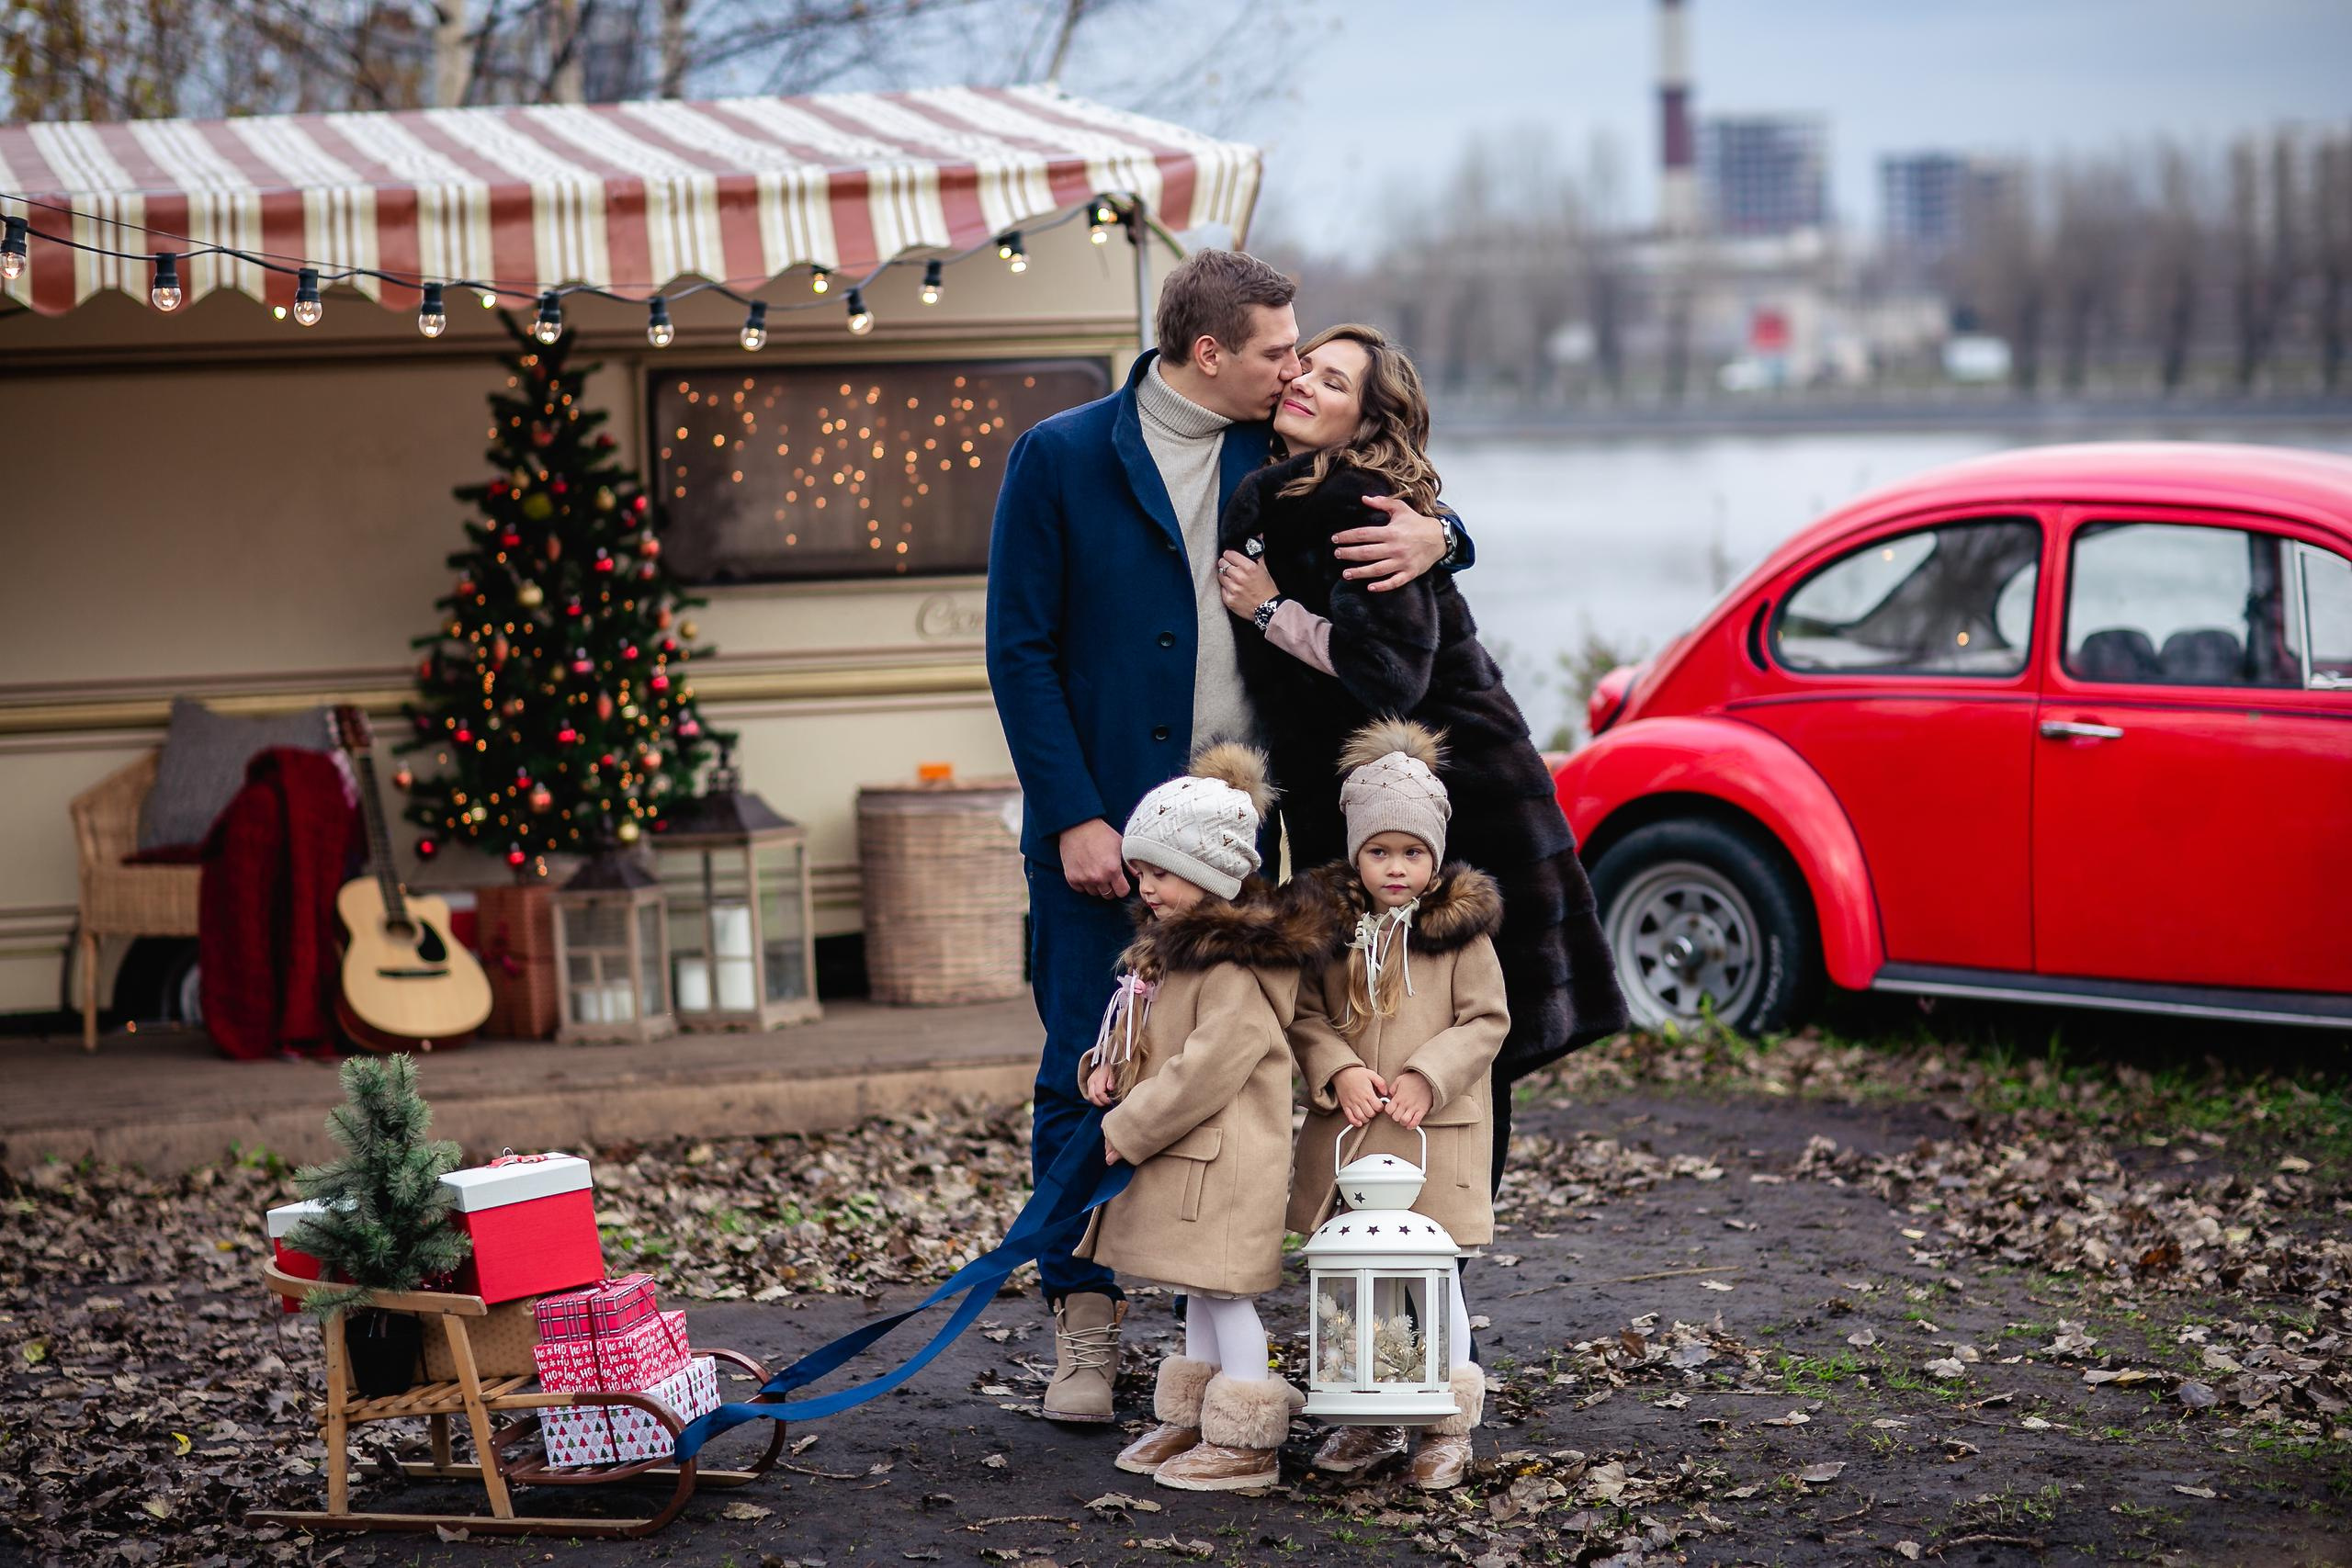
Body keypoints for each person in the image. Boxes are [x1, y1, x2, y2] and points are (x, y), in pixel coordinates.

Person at [986, 254, 1470, 1423]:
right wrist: (1073, 816)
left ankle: (1241, 1328)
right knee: (1086, 1066)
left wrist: (1444, 537)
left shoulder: (1288, 450)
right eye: (1275, 351)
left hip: (1270, 840)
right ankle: (1084, 1326)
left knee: (1269, 1067)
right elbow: (1020, 649)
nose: (1295, 369)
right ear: (1209, 353)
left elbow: (1405, 479)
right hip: (1105, 834)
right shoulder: (1060, 456)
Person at [1213, 323, 1628, 1197]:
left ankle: (1443, 1253)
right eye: (1303, 369)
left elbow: (1386, 671)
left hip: (1455, 796)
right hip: (1395, 797)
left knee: (1461, 1037)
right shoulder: (1286, 481)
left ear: (1366, 422)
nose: (1304, 385)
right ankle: (1404, 1248)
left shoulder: (1353, 500)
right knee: (1395, 1036)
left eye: (1334, 383)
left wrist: (1268, 612)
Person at [1073, 743, 1325, 1492]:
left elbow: (1208, 1065)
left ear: (1211, 874)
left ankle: (1247, 1433)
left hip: (1225, 1155)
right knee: (1199, 1286)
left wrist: (1128, 1126)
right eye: (1140, 871)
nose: (1142, 886)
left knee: (1224, 1288)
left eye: (1158, 872)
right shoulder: (1175, 951)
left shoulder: (1235, 965)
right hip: (1193, 1155)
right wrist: (1107, 1070)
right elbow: (1151, 1041)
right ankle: (1195, 1413)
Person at [1285, 718, 1505, 1490]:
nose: (1397, 868)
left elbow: (1485, 1020)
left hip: (1428, 1135)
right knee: (1358, 1276)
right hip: (1355, 1136)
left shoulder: (1460, 937)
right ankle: (1371, 1411)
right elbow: (1306, 1016)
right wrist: (1339, 1067)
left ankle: (1446, 1422)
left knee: (1430, 1282)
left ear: (1435, 856)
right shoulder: (1332, 932)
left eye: (1413, 853)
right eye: (1380, 852)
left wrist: (1426, 1073)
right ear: (1356, 853)